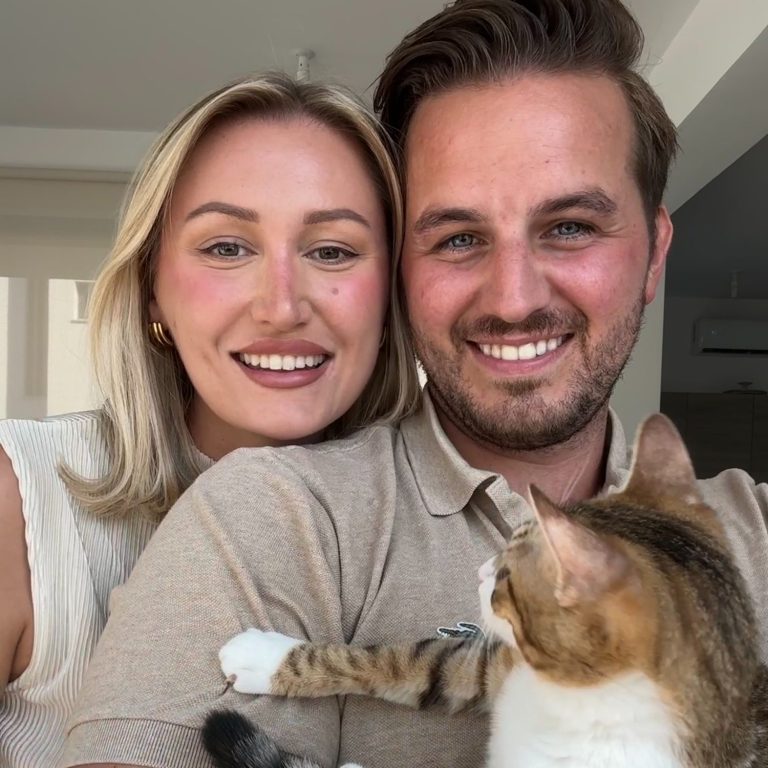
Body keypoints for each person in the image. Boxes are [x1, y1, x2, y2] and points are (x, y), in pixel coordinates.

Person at [62, 2, 768, 767]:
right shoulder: (273, 514)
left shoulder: (754, 530)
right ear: (402, 271)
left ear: (655, 253)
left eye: (570, 227)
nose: (513, 299)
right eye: (458, 238)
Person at [0, 72, 420, 767]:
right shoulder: (20, 499)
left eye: (332, 250)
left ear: (391, 297)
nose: (281, 307)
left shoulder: (446, 530)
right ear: (153, 289)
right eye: (227, 248)